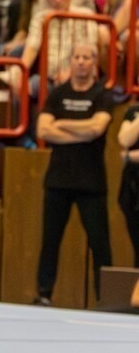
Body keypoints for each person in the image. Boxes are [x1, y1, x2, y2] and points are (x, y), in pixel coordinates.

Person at [35, 43, 113, 305]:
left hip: (91, 182)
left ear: (94, 62)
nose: (81, 62)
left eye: (86, 57)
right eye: (77, 57)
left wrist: (63, 125)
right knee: (50, 240)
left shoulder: (102, 95)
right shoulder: (58, 94)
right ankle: (44, 293)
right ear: (71, 62)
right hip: (58, 179)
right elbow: (44, 131)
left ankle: (107, 298)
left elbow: (97, 129)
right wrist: (82, 131)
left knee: (100, 243)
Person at [118, 105, 139, 268]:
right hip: (133, 187)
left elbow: (127, 152)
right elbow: (124, 139)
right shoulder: (133, 111)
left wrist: (130, 156)